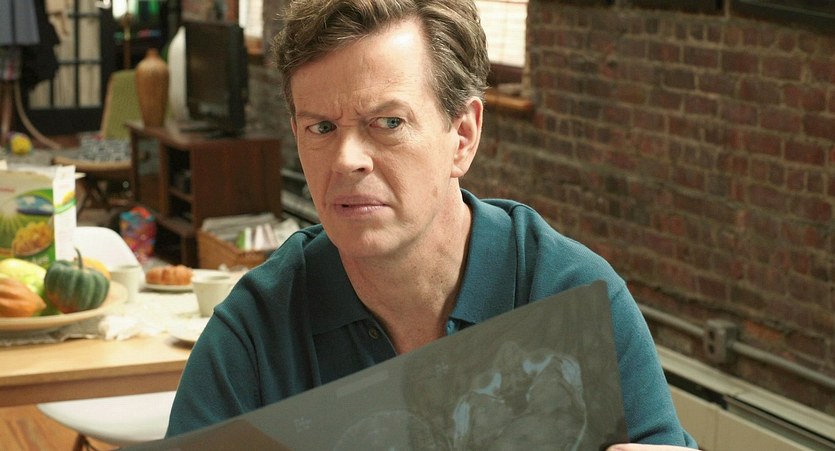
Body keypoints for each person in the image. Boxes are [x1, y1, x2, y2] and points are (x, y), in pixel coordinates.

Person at [167, 0, 698, 448]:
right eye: (322, 128)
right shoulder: (255, 332)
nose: (347, 160)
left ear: (462, 136)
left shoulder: (570, 294)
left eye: (388, 122)